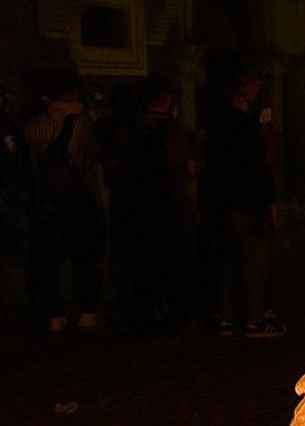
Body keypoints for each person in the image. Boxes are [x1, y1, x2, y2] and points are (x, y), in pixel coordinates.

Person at [204, 57, 286, 338]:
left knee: (226, 261)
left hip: (222, 203)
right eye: (254, 84)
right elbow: (261, 167)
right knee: (253, 261)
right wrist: (270, 203)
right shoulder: (246, 127)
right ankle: (255, 319)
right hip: (247, 204)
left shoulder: (216, 123)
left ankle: (226, 317)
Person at [22, 66, 105, 332]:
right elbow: (96, 155)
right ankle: (87, 311)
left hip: (46, 201)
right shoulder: (82, 123)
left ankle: (54, 314)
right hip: (78, 199)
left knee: (50, 259)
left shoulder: (30, 126)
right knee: (85, 256)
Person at [113, 78, 198, 331]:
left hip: (137, 209)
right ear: (167, 100)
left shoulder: (127, 131)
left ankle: (145, 314)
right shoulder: (177, 132)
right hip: (171, 209)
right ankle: (176, 315)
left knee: (143, 267)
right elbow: (191, 170)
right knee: (175, 265)